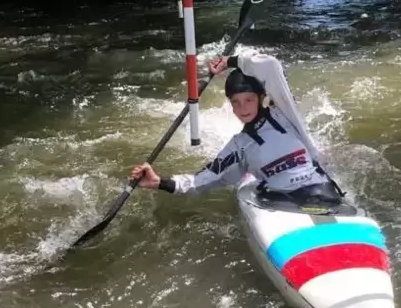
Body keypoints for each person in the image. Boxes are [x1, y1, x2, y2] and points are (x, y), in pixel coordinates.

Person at [129, 53, 344, 204]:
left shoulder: (285, 114)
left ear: (261, 98)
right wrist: (159, 183)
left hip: (321, 188)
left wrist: (230, 61)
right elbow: (202, 180)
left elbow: (270, 66)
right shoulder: (239, 146)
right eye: (235, 102)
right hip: (282, 200)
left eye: (249, 100)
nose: (242, 108)